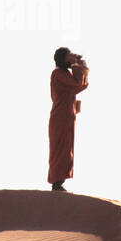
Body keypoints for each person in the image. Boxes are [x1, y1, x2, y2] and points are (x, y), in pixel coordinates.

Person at [47, 46, 89, 191]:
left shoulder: (65, 74)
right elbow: (78, 83)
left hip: (67, 116)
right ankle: (56, 183)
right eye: (69, 55)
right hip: (60, 117)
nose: (71, 57)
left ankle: (59, 182)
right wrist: (76, 65)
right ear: (63, 59)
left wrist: (82, 67)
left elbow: (81, 85)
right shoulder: (58, 73)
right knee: (60, 149)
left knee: (66, 149)